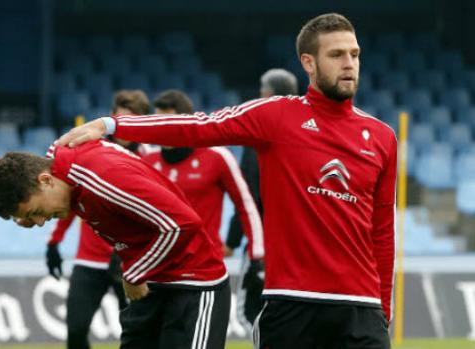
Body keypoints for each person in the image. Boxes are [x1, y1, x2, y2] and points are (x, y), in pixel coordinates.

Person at [57, 13, 396, 349]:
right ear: (309, 63)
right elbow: (201, 126)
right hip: (292, 304)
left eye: (354, 54)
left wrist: (383, 306)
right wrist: (113, 126)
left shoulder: (382, 138)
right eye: (336, 55)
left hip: (361, 310)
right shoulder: (276, 116)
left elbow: (382, 229)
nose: (349, 63)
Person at [0, 140, 230, 349]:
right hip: (150, 286)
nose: (39, 222)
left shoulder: (103, 177)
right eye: (31, 217)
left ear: (46, 181)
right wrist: (28, 215)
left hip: (192, 283)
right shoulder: (59, 166)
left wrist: (135, 273)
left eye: (37, 212)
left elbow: (181, 224)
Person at [45, 90, 151, 349]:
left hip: (128, 263)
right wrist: (54, 242)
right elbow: (69, 198)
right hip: (89, 260)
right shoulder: (92, 148)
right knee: (76, 329)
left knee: (139, 332)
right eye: (120, 117)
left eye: (131, 119)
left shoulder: (148, 157)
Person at [144, 89, 263, 260]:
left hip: (205, 264)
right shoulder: (147, 161)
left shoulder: (218, 157)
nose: (163, 129)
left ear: (186, 123)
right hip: (160, 265)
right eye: (158, 122)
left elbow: (246, 205)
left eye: (169, 122)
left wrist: (257, 251)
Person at [225, 68, 298, 331]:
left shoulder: (257, 135)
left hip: (265, 242)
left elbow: (247, 196)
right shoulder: (306, 134)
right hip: (301, 243)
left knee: (251, 313)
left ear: (268, 93)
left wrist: (232, 240)